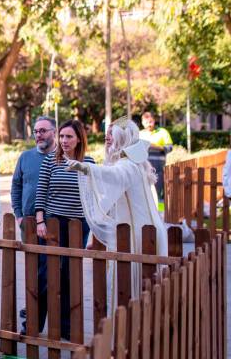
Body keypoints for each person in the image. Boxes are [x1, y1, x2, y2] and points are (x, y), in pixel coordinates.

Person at [68, 117, 169, 307]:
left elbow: (113, 176)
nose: (107, 138)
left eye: (111, 135)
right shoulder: (135, 163)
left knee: (132, 290)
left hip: (137, 236)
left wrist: (85, 167)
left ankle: (131, 332)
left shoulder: (128, 166)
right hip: (142, 231)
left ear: (121, 139)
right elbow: (109, 199)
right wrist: (97, 228)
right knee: (142, 292)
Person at [32, 119, 95, 340]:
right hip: (53, 224)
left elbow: (92, 197)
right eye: (62, 136)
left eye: (69, 136)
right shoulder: (51, 160)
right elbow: (41, 192)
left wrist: (95, 230)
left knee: (70, 275)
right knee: (45, 274)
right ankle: (34, 323)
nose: (64, 141)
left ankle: (66, 328)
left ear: (79, 139)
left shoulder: (88, 162)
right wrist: (40, 221)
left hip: (78, 225)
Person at [11, 115, 56, 320]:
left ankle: (34, 315)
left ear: (53, 132)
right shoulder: (25, 157)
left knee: (49, 272)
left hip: (54, 223)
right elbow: (16, 186)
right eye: (36, 131)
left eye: (43, 131)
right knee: (33, 270)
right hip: (28, 222)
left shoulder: (61, 157)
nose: (39, 135)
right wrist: (19, 215)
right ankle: (34, 312)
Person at [139, 112, 173, 200]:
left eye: (150, 122)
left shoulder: (163, 132)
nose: (149, 124)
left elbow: (170, 147)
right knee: (145, 193)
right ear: (142, 122)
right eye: (146, 122)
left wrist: (156, 146)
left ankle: (158, 212)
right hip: (143, 169)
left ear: (154, 121)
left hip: (158, 168)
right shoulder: (139, 134)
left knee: (157, 192)